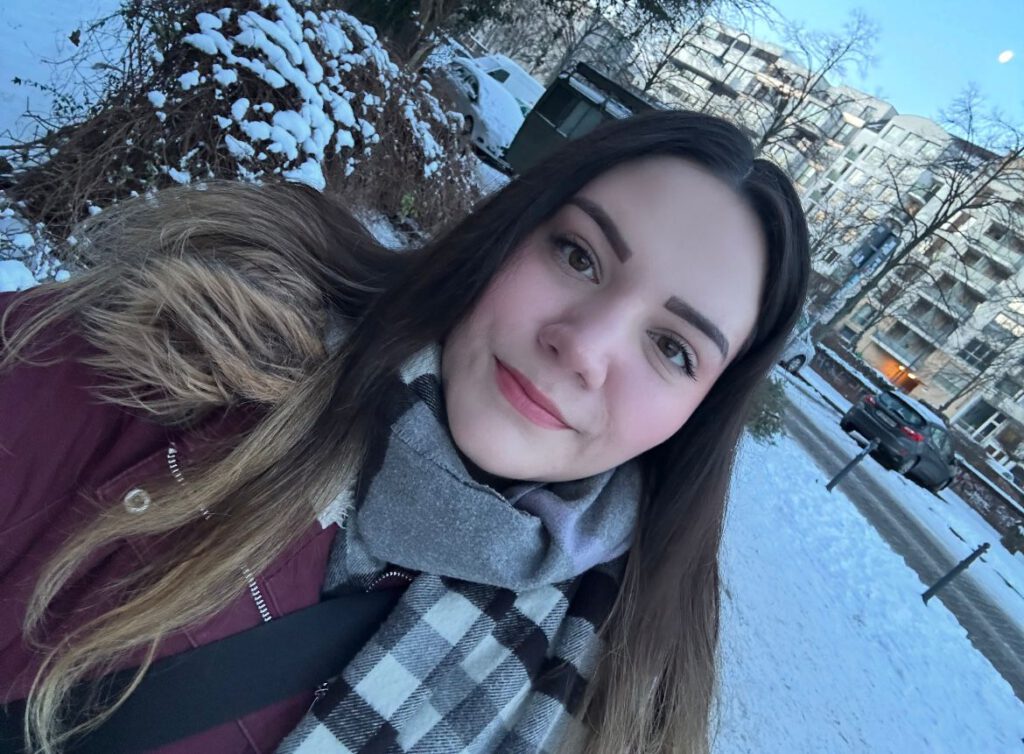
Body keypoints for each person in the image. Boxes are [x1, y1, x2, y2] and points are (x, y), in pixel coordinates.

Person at [0, 110, 809, 754]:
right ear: (509, 234)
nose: (585, 348)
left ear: (697, 418)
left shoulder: (621, 685)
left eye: (673, 349)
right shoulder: (177, 356)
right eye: (578, 255)